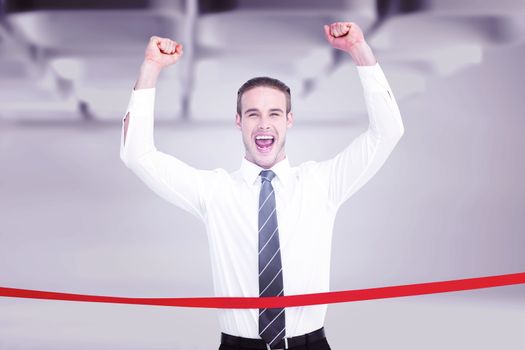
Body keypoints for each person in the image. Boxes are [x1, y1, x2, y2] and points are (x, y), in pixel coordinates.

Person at [120, 21, 404, 350]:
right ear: (239, 121)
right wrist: (151, 68)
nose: (264, 123)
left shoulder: (321, 184)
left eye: (274, 113)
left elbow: (387, 133)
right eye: (253, 114)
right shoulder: (214, 192)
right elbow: (137, 155)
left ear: (289, 120)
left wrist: (359, 50)